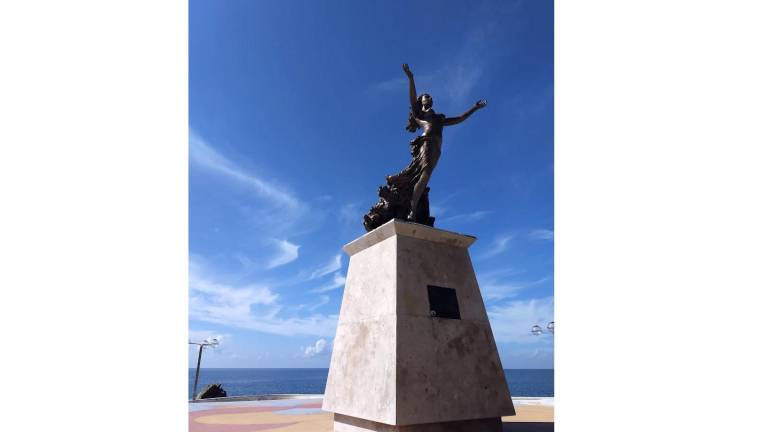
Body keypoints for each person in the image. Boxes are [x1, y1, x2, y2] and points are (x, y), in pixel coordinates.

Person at [396, 63, 487, 221]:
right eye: (426, 97)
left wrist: (475, 108)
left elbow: (460, 118)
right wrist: (411, 78)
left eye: (430, 97)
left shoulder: (439, 118)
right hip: (426, 143)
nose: (429, 98)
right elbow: (412, 97)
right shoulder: (420, 115)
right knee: (423, 176)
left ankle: (415, 206)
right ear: (421, 102)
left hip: (437, 148)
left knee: (426, 177)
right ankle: (412, 209)